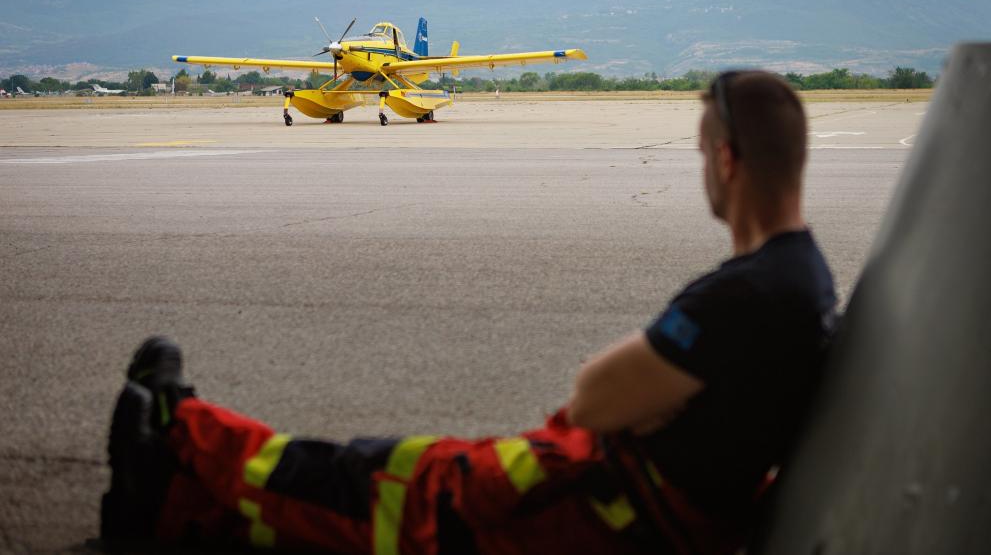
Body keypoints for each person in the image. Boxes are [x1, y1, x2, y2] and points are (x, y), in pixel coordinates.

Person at [101, 71, 836, 554]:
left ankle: (177, 424)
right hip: (615, 500)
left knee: (367, 482)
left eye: (702, 150)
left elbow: (594, 396)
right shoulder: (800, 277)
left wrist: (639, 400)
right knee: (354, 501)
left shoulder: (746, 291)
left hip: (585, 504)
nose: (701, 164)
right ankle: (168, 501)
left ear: (727, 160)